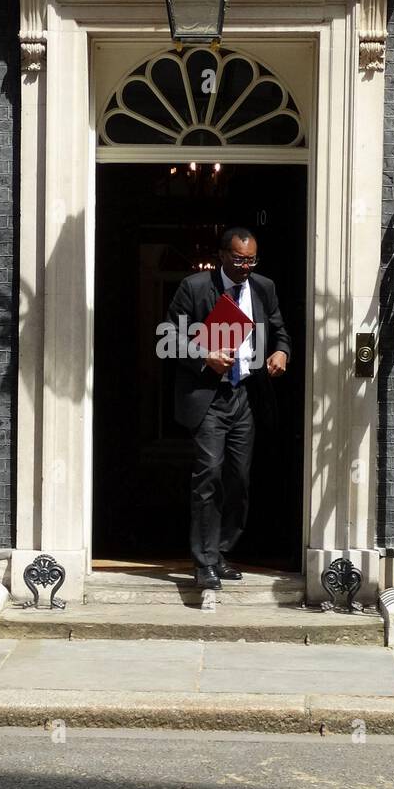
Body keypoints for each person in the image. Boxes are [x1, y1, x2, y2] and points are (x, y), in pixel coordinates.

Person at [165, 227, 291, 590]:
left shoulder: (263, 288)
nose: (245, 267)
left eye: (251, 260)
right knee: (209, 476)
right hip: (210, 395)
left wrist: (282, 351)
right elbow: (170, 335)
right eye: (238, 260)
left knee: (238, 478)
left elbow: (280, 330)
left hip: (246, 395)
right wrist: (205, 355)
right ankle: (203, 562)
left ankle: (220, 551)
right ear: (222, 255)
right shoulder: (195, 287)